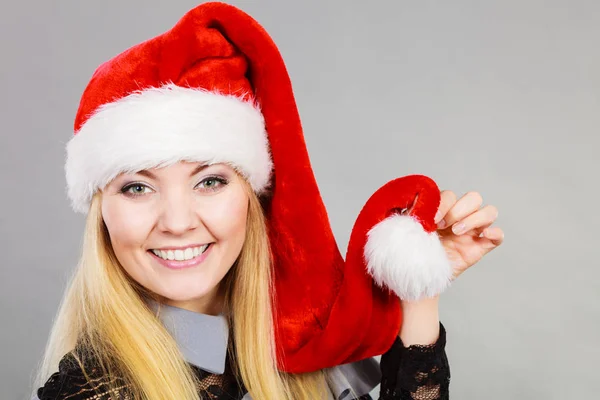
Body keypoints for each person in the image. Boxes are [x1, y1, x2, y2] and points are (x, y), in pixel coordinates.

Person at [31, 2, 503, 400]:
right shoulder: (94, 390)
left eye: (210, 181)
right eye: (137, 187)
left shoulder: (292, 349)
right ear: (102, 213)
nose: (176, 222)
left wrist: (417, 292)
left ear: (254, 198)